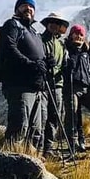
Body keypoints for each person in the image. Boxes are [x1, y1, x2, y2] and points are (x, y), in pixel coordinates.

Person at [0, 0, 48, 148]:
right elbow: (9, 48)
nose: (28, 8)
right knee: (20, 126)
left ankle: (30, 166)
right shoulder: (12, 25)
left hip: (36, 87)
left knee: (36, 131)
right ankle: (8, 163)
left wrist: (47, 62)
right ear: (17, 8)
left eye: (32, 6)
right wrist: (30, 64)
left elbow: (40, 57)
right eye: (24, 5)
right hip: (19, 85)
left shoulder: (34, 32)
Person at [63, 24, 90, 150]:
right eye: (76, 33)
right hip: (71, 87)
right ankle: (73, 142)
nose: (79, 36)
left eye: (81, 34)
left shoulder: (85, 53)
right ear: (71, 35)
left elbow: (88, 71)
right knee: (72, 112)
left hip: (86, 88)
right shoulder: (66, 50)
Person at [39, 12, 69, 155]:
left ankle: (48, 148)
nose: (54, 25)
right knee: (42, 115)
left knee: (54, 116)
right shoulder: (39, 40)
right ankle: (38, 147)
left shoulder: (61, 44)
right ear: (47, 24)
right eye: (51, 22)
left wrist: (67, 67)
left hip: (57, 84)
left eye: (57, 23)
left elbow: (63, 65)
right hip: (43, 84)